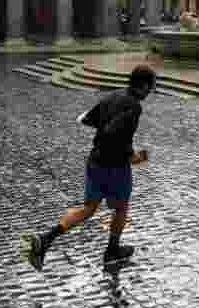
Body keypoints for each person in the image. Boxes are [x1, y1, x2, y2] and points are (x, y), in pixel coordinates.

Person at [22, 65, 156, 270]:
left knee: (88, 209)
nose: (150, 92)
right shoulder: (134, 106)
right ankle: (112, 251)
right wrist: (132, 156)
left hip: (95, 161)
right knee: (121, 208)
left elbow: (86, 119)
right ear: (143, 86)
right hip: (115, 167)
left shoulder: (113, 96)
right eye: (150, 88)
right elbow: (116, 134)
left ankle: (45, 239)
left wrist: (106, 132)